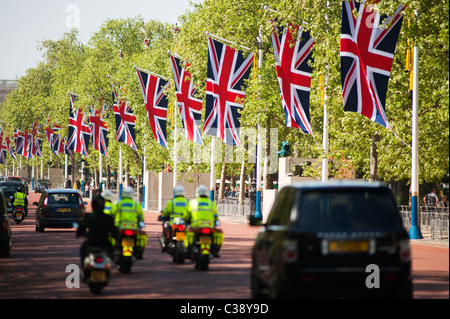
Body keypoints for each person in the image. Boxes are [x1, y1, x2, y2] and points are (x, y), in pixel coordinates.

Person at [76, 195, 119, 266]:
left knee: (83, 249)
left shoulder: (88, 216)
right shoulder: (108, 217)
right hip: (105, 243)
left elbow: (81, 227)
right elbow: (114, 231)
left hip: (91, 242)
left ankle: (84, 267)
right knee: (112, 252)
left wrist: (79, 233)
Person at [183, 185, 223, 258]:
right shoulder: (211, 203)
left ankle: (189, 249)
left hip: (196, 225)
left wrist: (186, 219)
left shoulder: (193, 202)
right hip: (209, 225)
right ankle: (214, 249)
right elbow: (215, 215)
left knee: (188, 232)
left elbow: (187, 214)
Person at [112, 186, 147, 259]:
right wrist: (141, 222)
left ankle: (114, 249)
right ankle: (138, 251)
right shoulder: (136, 204)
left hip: (119, 227)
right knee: (140, 237)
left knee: (113, 237)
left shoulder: (118, 204)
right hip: (133, 227)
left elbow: (111, 214)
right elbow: (140, 215)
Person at [160, 185, 189, 252]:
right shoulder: (187, 202)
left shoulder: (172, 202)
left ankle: (166, 242)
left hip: (173, 222)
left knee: (166, 227)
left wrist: (163, 215)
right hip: (184, 222)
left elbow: (166, 211)